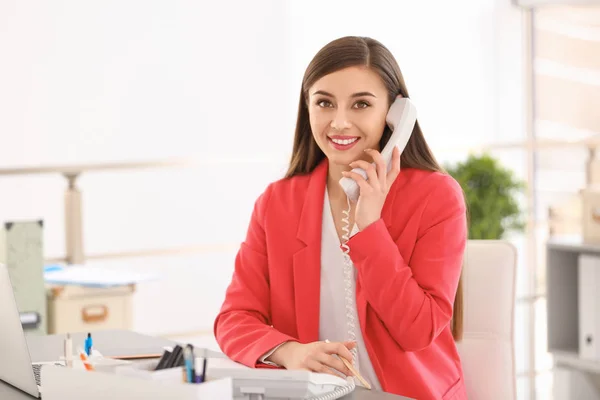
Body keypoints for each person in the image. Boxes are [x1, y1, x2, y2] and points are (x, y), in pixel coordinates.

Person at [213, 36, 467, 400]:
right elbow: (234, 319)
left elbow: (417, 331)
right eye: (324, 103)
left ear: (395, 114)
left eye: (361, 104)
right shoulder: (278, 203)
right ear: (308, 108)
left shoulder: (436, 197)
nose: (340, 122)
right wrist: (290, 352)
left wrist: (370, 226)